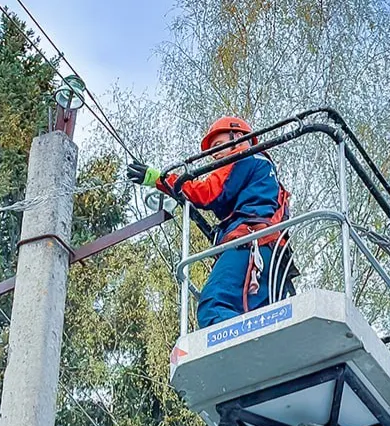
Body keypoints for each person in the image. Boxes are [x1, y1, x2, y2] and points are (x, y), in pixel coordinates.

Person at [127, 116, 297, 328]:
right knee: (259, 319)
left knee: (214, 306)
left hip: (249, 245)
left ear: (240, 138)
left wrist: (160, 179)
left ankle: (237, 356)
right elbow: (225, 200)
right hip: (271, 256)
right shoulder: (264, 176)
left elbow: (208, 193)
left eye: (218, 145)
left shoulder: (246, 158)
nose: (214, 154)